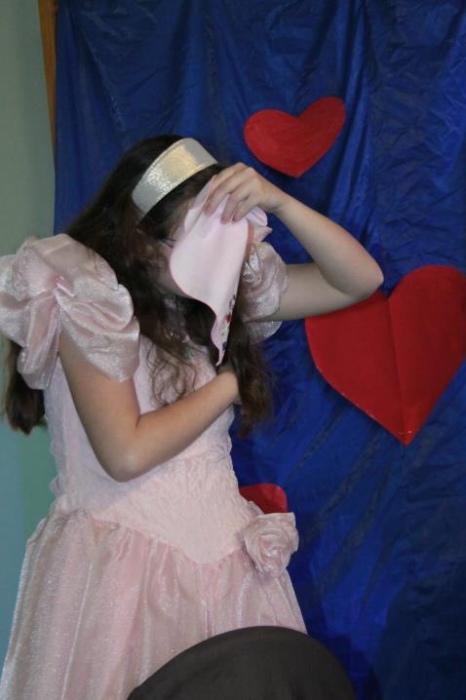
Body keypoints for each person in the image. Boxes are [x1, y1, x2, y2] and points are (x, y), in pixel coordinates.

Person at [0, 135, 383, 699]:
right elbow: (125, 451)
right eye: (202, 240)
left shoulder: (208, 304)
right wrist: (228, 384)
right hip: (122, 579)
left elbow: (357, 280)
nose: (219, 260)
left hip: (224, 569)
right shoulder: (92, 300)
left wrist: (280, 202)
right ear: (141, 238)